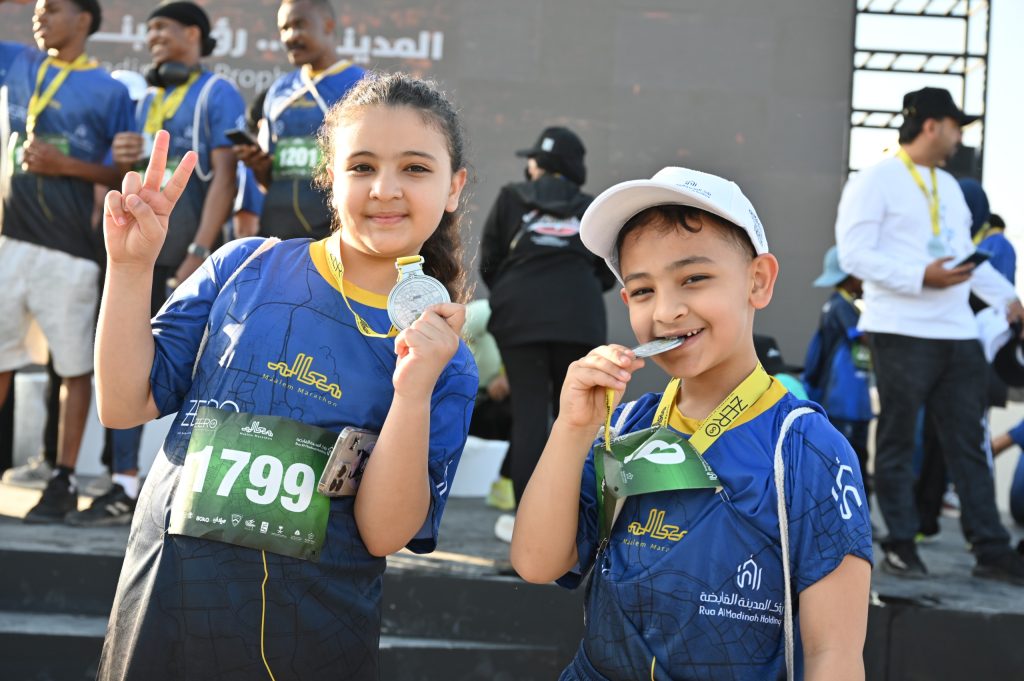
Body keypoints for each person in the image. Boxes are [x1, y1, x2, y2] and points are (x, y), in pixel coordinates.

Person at [93, 72, 477, 680]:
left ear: (453, 187)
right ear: (329, 177)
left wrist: (412, 390)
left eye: (415, 168)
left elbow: (383, 533)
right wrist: (130, 266)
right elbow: (122, 403)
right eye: (362, 166)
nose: (385, 189)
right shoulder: (244, 267)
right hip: (163, 619)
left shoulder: (445, 357)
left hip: (310, 641)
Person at [512, 167, 873, 680]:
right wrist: (572, 429)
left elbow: (833, 654)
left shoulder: (805, 449)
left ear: (758, 280)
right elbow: (536, 563)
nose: (666, 311)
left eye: (694, 279)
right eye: (642, 290)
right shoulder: (626, 425)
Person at [67, 0, 246, 527]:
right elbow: (121, 173)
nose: (153, 39)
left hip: (190, 262)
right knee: (127, 365)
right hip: (137, 257)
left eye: (163, 28)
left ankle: (192, 488)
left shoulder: (216, 92)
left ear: (194, 33)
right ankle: (123, 485)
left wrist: (200, 250)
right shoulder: (143, 97)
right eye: (148, 32)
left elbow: (226, 177)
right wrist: (122, 159)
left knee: (193, 375)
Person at [835, 86, 1024, 583]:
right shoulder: (875, 180)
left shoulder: (951, 188)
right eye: (956, 127)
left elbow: (963, 259)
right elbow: (854, 254)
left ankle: (991, 549)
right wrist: (921, 276)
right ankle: (900, 543)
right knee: (898, 438)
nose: (960, 138)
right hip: (900, 329)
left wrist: (1010, 298)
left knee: (969, 441)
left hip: (957, 331)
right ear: (932, 125)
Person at [0, 0, 133, 520]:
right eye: (37, 9)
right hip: (9, 240)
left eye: (52, 8)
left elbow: (121, 174)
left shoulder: (111, 91)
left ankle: (63, 479)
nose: (40, 16)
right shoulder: (18, 62)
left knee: (74, 368)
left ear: (84, 19)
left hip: (70, 250)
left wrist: (65, 165)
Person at [478, 125, 615, 525]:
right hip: (579, 318)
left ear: (542, 163)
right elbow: (607, 271)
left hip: (520, 317)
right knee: (581, 418)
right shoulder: (590, 207)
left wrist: (518, 291)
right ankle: (580, 519)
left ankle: (531, 522)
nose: (529, 168)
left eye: (533, 160)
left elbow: (490, 262)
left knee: (529, 418)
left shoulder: (511, 197)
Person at [234, 0, 364, 241]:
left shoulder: (362, 85)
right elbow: (270, 180)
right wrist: (259, 168)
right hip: (277, 234)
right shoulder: (279, 90)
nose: (290, 36)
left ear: (328, 25)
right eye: (284, 28)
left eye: (299, 25)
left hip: (334, 237)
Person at [802, 245, 873, 503]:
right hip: (843, 399)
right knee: (848, 458)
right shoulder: (840, 306)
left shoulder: (844, 305)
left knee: (855, 455)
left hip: (850, 398)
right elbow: (864, 338)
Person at [462, 298, 514, 510]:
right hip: (460, 396)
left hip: (492, 400)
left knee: (529, 415)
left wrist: (508, 376)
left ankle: (506, 481)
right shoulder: (482, 312)